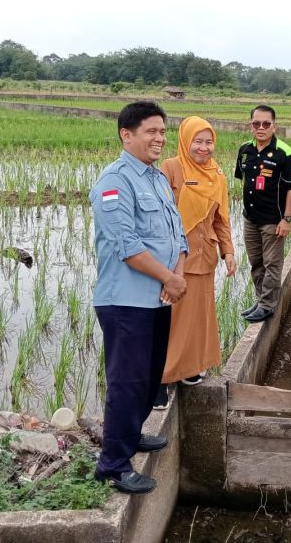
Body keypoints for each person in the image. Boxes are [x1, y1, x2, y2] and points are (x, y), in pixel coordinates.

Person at [90, 101, 188, 494]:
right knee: (127, 382)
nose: (159, 139)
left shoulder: (157, 178)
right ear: (126, 135)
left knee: (149, 379)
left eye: (163, 132)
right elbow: (126, 245)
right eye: (151, 131)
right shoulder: (113, 182)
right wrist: (169, 277)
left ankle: (130, 437)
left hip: (159, 297)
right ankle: (112, 464)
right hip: (125, 301)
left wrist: (176, 277)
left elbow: (178, 232)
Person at [152, 116, 235, 409]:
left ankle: (189, 370)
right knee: (170, 318)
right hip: (174, 259)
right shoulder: (171, 168)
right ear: (186, 141)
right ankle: (160, 379)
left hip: (205, 256)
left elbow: (221, 219)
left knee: (198, 317)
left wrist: (229, 252)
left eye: (208, 141)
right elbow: (159, 214)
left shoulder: (218, 175)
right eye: (197, 141)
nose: (203, 147)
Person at [234, 105, 291, 323]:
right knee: (256, 261)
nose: (261, 128)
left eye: (266, 124)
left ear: (274, 125)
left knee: (272, 263)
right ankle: (261, 299)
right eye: (256, 124)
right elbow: (243, 180)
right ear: (250, 125)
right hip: (250, 218)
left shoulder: (284, 152)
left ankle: (268, 305)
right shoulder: (245, 150)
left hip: (274, 219)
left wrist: (287, 218)